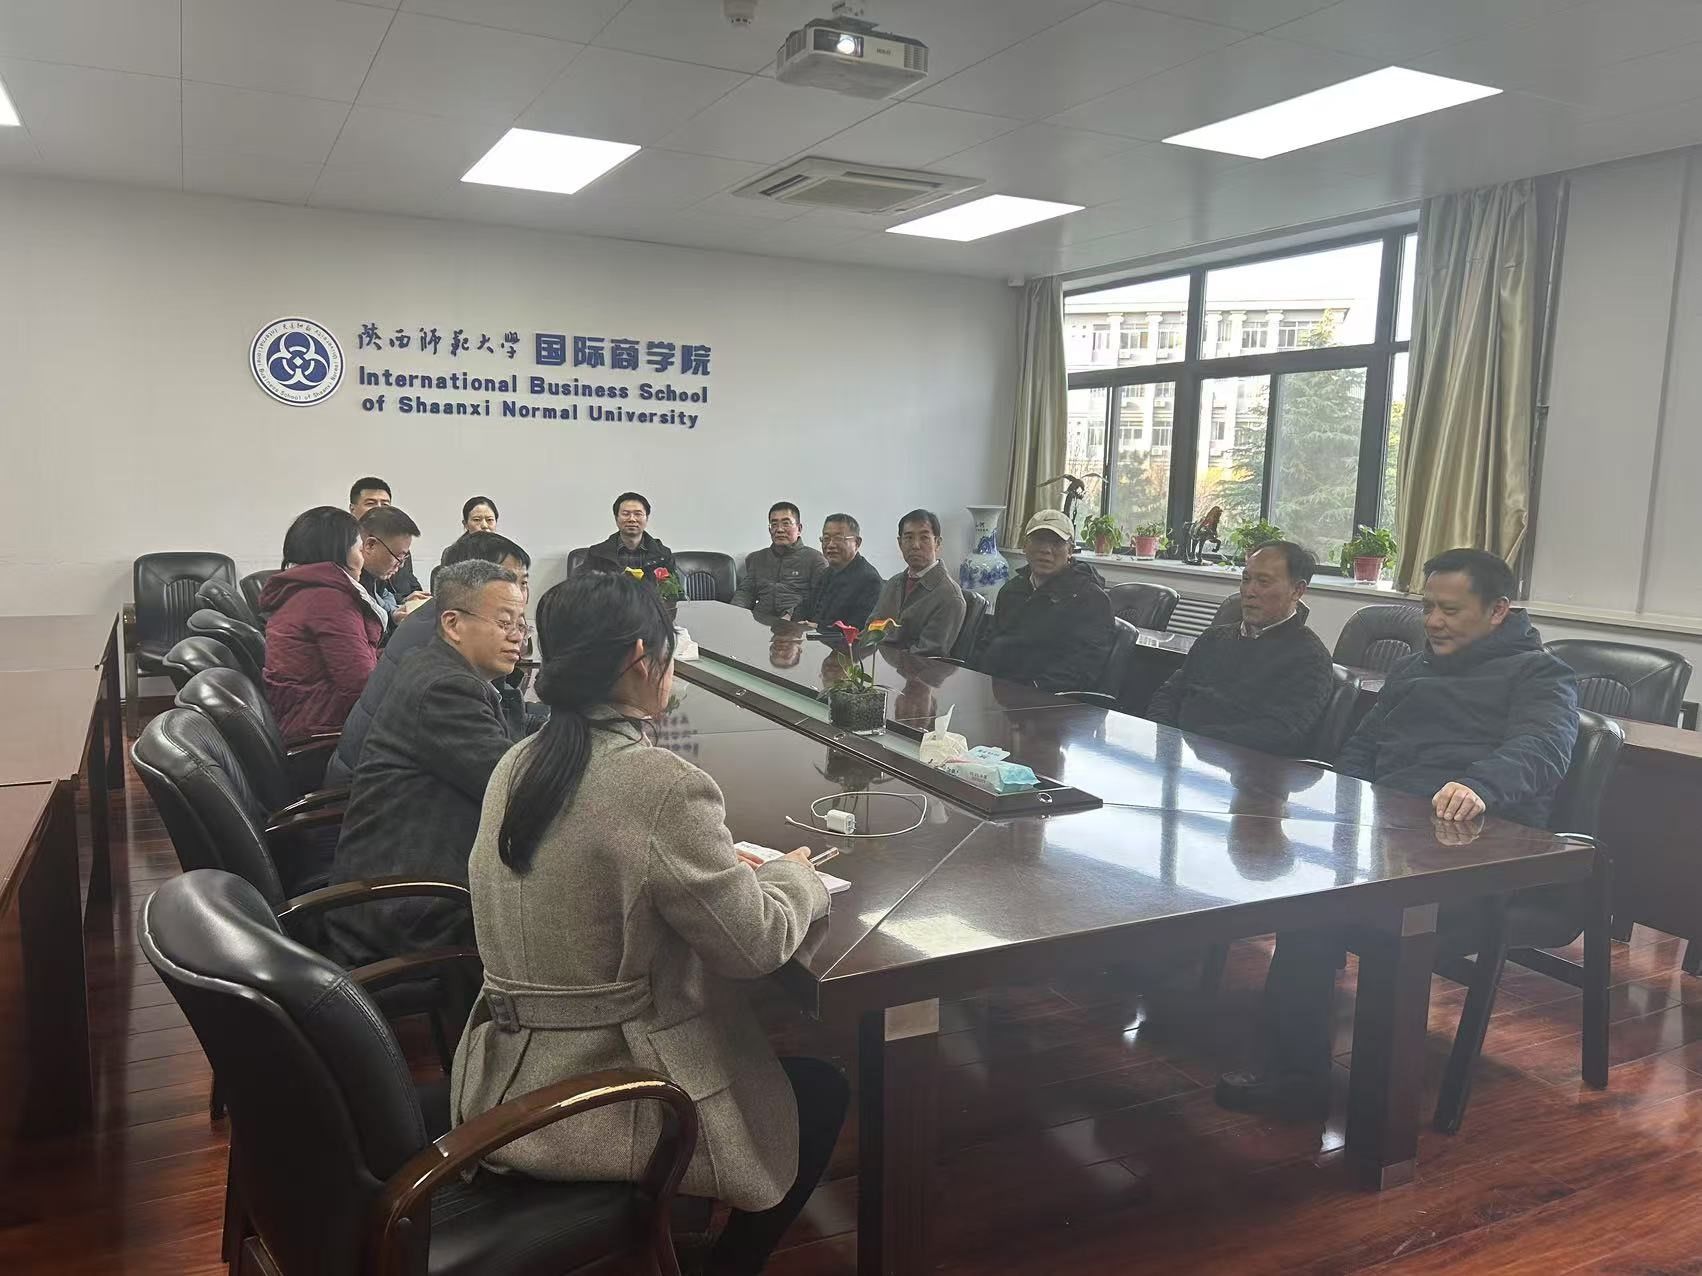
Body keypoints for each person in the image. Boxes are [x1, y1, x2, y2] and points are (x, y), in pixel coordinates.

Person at [450, 572, 846, 1276]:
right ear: (642, 657)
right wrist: (797, 880)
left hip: (498, 1076)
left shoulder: (519, 760)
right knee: (819, 1092)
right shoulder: (661, 784)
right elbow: (755, 946)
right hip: (602, 1097)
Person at [1217, 547, 1580, 1118]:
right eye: (1428, 607)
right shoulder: (1414, 668)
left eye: (1450, 610)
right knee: (1298, 890)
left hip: (1474, 849)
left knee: (1323, 912)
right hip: (1390, 833)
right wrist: (1340, 795)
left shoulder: (1542, 676)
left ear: (1498, 611)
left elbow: (1543, 747)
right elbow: (1364, 745)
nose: (1433, 621)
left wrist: (1479, 785)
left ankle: (1357, 1105)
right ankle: (1296, 1068)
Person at [325, 559, 529, 965]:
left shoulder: (437, 664)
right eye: (504, 622)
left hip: (407, 880)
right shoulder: (446, 689)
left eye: (521, 624)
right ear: (453, 624)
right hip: (411, 910)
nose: (517, 637)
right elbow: (516, 787)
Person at [326, 531, 533, 786]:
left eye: (523, 583)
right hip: (363, 795)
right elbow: (507, 784)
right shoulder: (445, 681)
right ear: (469, 577)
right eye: (506, 581)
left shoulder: (445, 628)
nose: (517, 595)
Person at [1145, 541, 1337, 755]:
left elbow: (1281, 732)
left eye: (1263, 582)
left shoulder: (1310, 658)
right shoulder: (1213, 638)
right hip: (1179, 754)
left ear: (1297, 590)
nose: (1249, 591)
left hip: (1245, 767)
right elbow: (1169, 694)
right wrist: (1167, 740)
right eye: (1246, 580)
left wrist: (1197, 743)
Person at [257, 507, 383, 743]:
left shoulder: (306, 588)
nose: (363, 559)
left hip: (304, 712)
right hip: (321, 730)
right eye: (359, 549)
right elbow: (361, 685)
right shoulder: (328, 600)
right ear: (340, 553)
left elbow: (351, 657)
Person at [970, 509, 1115, 692]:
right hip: (998, 692)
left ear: (1070, 551)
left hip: (1048, 700)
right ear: (1025, 546)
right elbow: (989, 644)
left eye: (1056, 542)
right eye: (1038, 540)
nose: (1046, 550)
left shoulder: (1091, 599)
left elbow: (1082, 669)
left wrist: (1030, 690)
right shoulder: (1011, 591)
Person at [867, 509, 966, 658]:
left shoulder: (950, 596)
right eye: (908, 538)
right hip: (876, 665)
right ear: (900, 543)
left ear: (937, 543)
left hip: (913, 670)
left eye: (924, 538)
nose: (915, 545)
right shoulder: (893, 583)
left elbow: (926, 655)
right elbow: (870, 632)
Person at [730, 502, 827, 619]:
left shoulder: (815, 560)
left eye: (786, 523)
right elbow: (746, 592)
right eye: (774, 524)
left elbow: (820, 600)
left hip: (796, 623)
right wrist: (734, 614)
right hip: (761, 621)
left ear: (799, 528)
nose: (779, 529)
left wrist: (792, 616)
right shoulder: (757, 558)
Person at [796, 513, 882, 635]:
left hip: (842, 645)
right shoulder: (827, 573)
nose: (830, 545)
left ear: (857, 543)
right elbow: (804, 607)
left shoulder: (869, 580)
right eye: (826, 538)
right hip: (813, 640)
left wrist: (819, 627)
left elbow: (857, 628)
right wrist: (797, 623)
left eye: (838, 538)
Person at [349, 477, 424, 595]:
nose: (378, 508)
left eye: (385, 504)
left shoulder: (398, 549)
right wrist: (400, 602)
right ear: (352, 509)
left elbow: (411, 583)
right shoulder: (346, 551)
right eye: (370, 503)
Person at [357, 504, 429, 626]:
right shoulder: (350, 585)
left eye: (404, 558)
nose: (400, 565)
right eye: (398, 557)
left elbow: (385, 596)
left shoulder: (375, 574)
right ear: (370, 545)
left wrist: (393, 615)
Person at [578, 491, 677, 576]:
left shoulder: (663, 555)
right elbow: (583, 588)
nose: (632, 519)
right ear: (616, 518)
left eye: (638, 514)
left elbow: (674, 591)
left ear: (647, 518)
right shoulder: (597, 553)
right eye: (626, 514)